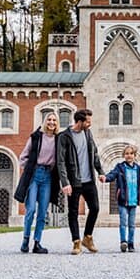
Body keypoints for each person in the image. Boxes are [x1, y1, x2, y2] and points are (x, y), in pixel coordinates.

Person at [56, 108, 106, 255]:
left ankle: (87, 237)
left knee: (95, 208)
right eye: (88, 121)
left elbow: (94, 153)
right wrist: (65, 182)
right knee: (73, 212)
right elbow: (61, 161)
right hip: (74, 181)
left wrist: (100, 171)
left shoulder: (88, 133)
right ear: (80, 121)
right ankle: (76, 242)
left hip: (89, 179)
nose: (90, 124)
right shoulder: (64, 136)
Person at [14, 111, 61, 254]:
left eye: (54, 120)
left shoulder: (58, 140)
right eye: (49, 120)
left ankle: (37, 243)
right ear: (45, 122)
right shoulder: (36, 137)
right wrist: (29, 170)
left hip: (47, 177)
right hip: (34, 175)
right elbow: (23, 157)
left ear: (57, 123)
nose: (51, 122)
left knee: (42, 213)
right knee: (31, 210)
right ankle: (25, 240)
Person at [104, 145, 140, 253]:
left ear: (134, 155)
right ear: (124, 155)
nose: (129, 156)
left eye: (131, 153)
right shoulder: (119, 167)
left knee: (132, 224)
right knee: (123, 222)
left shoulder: (139, 169)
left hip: (134, 201)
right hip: (123, 200)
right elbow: (112, 175)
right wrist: (105, 178)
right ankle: (123, 242)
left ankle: (131, 243)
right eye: (127, 154)